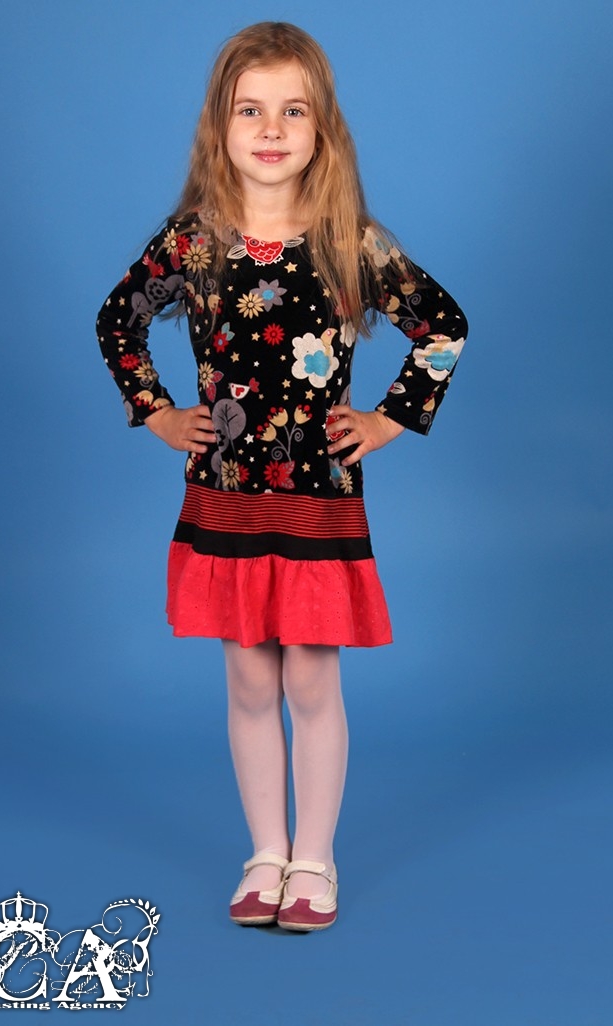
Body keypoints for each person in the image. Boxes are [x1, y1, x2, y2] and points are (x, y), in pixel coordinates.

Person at [96, 21, 467, 932]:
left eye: (292, 111)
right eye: (250, 110)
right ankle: (265, 853)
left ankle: (315, 860)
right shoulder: (194, 241)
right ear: (218, 127)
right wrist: (157, 413)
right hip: (224, 497)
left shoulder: (349, 241)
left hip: (317, 502)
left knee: (309, 681)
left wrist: (387, 419)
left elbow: (444, 324)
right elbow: (118, 321)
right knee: (250, 682)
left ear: (322, 127)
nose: (271, 129)